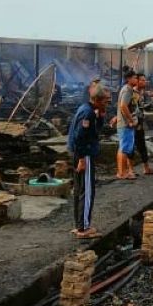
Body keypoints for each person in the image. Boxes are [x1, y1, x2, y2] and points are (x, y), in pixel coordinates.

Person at [68, 83, 109, 239]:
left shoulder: (87, 109)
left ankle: (79, 224)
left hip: (80, 153)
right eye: (105, 100)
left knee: (79, 190)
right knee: (87, 191)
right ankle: (83, 228)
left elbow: (93, 132)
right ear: (98, 100)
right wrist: (81, 159)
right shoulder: (88, 113)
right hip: (84, 154)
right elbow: (80, 137)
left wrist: (100, 119)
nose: (106, 103)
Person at [115, 72, 137, 179]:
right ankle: (122, 172)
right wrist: (130, 119)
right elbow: (123, 105)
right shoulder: (127, 90)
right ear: (128, 79)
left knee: (122, 148)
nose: (136, 80)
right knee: (124, 149)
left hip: (123, 123)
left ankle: (121, 172)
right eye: (134, 78)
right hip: (125, 124)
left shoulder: (127, 89)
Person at [132, 73, 153, 174]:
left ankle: (146, 168)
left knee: (141, 144)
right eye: (142, 80)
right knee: (132, 145)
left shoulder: (141, 92)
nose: (144, 82)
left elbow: (141, 107)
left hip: (139, 121)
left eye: (145, 80)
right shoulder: (132, 92)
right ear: (136, 81)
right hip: (133, 122)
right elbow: (131, 108)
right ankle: (130, 169)